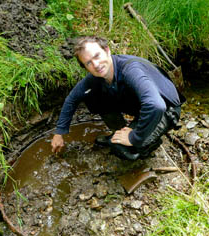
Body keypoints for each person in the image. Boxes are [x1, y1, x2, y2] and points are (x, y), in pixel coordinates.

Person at [51, 36, 185, 160]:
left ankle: (142, 148)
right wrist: (59, 133)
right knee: (93, 97)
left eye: (97, 56)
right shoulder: (96, 77)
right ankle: (120, 133)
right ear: (85, 67)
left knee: (122, 148)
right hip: (142, 106)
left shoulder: (130, 70)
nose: (96, 65)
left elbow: (156, 105)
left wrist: (134, 137)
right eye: (89, 63)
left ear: (107, 50)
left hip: (167, 109)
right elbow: (72, 99)